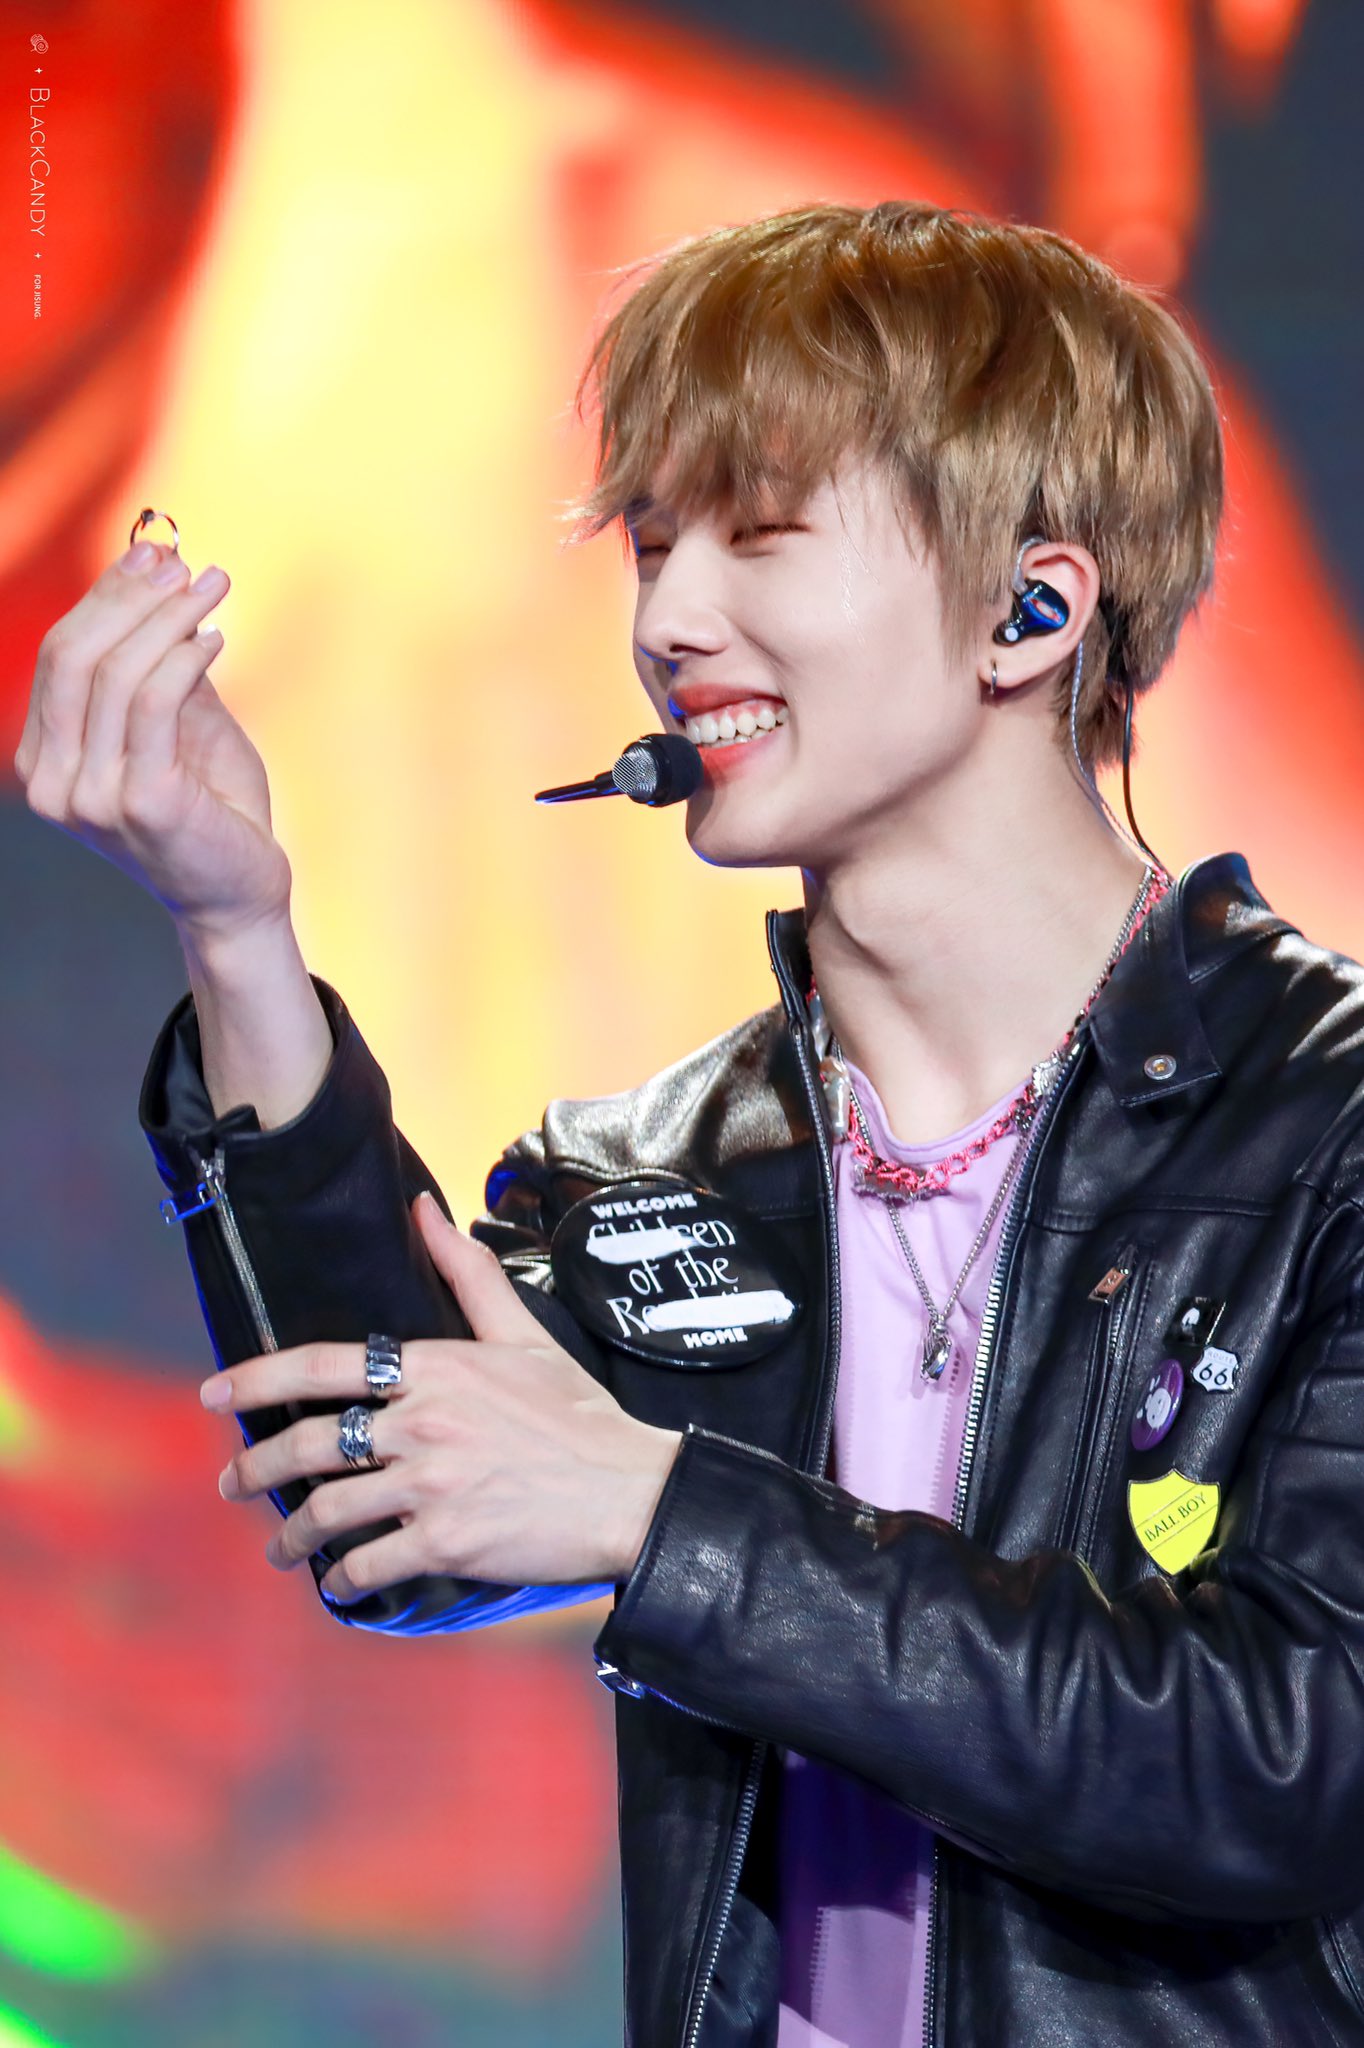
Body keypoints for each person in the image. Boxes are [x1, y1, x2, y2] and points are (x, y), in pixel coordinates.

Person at [19, 200, 1364, 2046]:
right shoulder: (659, 1173)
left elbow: (1288, 1753)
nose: (667, 623)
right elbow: (376, 1489)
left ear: (1031, 611)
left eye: (762, 534)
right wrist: (235, 932)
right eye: (652, 545)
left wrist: (662, 1515)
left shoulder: (1327, 1123)